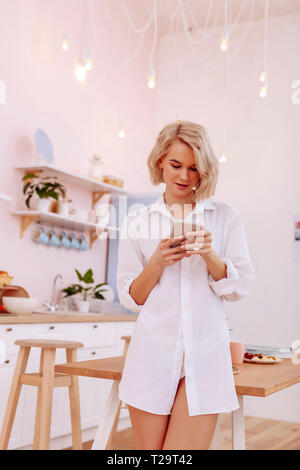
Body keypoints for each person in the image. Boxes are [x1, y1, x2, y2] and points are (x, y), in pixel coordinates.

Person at [116, 121, 255, 450]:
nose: (184, 177)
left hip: (205, 358)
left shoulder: (224, 217)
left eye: (194, 168)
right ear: (160, 160)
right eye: (176, 165)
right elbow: (132, 297)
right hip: (151, 356)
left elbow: (240, 286)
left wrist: (209, 255)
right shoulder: (138, 222)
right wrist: (157, 262)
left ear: (204, 170)